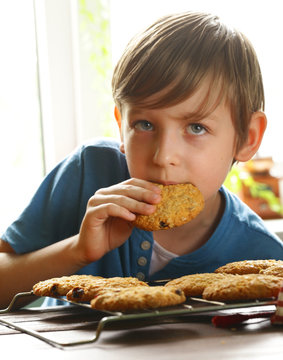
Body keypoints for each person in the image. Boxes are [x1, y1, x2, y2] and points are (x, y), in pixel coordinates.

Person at [1, 11, 283, 308]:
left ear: (247, 137)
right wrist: (78, 251)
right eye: (145, 125)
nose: (163, 156)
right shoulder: (89, 171)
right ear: (121, 124)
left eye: (196, 128)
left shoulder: (264, 261)